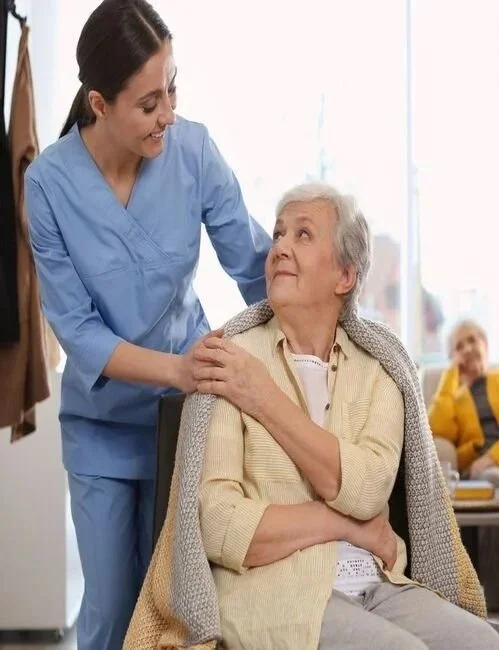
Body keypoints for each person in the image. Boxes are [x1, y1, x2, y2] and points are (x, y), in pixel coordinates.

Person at [24, 1, 270, 648]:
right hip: (102, 427)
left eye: (172, 90)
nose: (168, 114)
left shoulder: (192, 151)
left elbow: (250, 262)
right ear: (99, 104)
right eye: (149, 103)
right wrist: (177, 369)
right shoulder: (48, 184)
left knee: (180, 606)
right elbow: (76, 330)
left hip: (186, 424)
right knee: (109, 609)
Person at [194, 183, 498, 649]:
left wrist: (264, 398)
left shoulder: (380, 372)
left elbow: (367, 488)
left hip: (379, 586)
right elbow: (219, 525)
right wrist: (345, 526)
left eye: (302, 235)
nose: (279, 247)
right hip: (278, 592)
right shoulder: (233, 360)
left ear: (344, 276)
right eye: (278, 234)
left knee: (482, 642)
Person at [429, 319, 499, 484]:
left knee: (492, 476)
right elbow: (437, 431)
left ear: (485, 344)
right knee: (490, 477)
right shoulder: (453, 397)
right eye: (459, 347)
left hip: (490, 464)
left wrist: (492, 457)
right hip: (477, 469)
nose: (467, 349)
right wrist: (451, 373)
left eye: (472, 340)